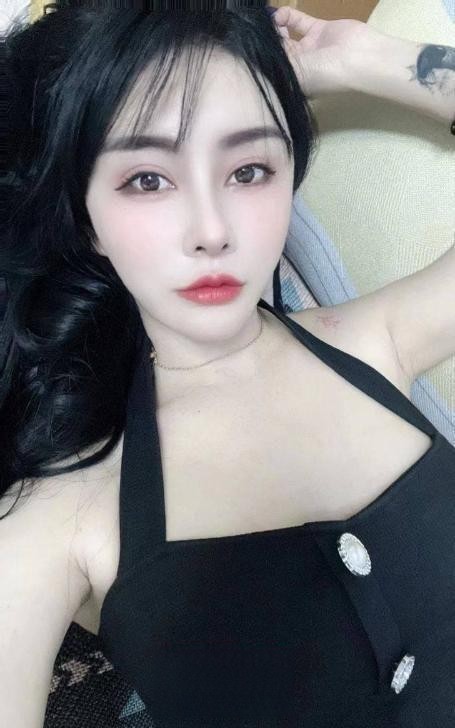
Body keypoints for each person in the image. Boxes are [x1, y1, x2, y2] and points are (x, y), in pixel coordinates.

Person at [1, 2, 454, 726]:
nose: (211, 230)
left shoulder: (375, 341)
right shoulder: (59, 517)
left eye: (249, 169)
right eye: (147, 180)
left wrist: (359, 59)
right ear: (87, 221)